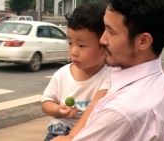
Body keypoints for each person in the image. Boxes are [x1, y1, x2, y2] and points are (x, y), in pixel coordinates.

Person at [53, 0, 164, 140]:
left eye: (110, 31)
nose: (102, 40)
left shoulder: (120, 111)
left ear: (143, 41)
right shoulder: (156, 79)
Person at [41, 2, 110, 141]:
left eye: (81, 45)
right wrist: (58, 109)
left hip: (88, 133)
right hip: (60, 130)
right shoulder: (62, 74)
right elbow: (46, 102)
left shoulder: (109, 76)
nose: (73, 52)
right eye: (70, 43)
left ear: (104, 47)